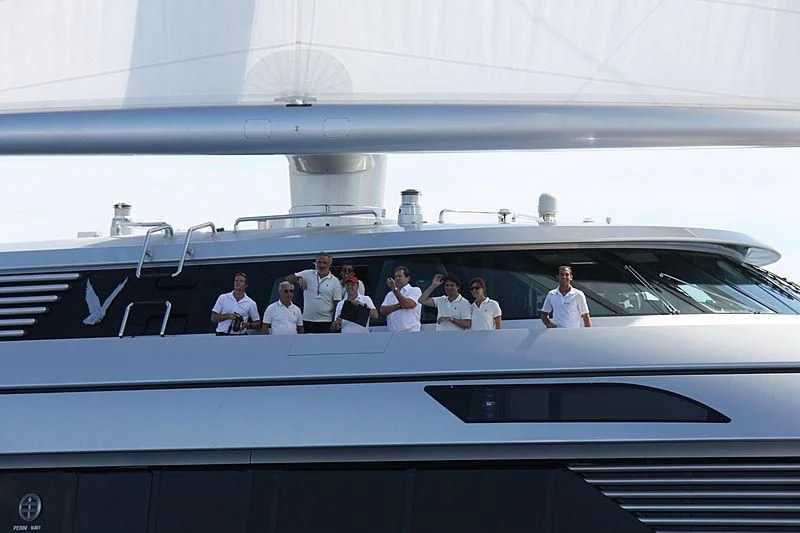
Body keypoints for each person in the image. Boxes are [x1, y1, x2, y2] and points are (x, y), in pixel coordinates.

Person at [286, 252, 343, 333]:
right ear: (316, 263)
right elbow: (288, 278)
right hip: (306, 321)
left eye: (325, 263)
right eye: (319, 262)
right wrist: (299, 278)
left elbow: (337, 304)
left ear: (330, 264)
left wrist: (334, 322)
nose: (321, 265)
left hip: (326, 322)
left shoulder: (335, 281)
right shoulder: (307, 274)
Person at [379, 266, 422, 332]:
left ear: (408, 278)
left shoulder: (415, 290)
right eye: (396, 277)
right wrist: (399, 306)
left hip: (411, 333)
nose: (397, 278)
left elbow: (408, 305)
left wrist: (394, 289)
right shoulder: (390, 294)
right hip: (392, 334)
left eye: (400, 276)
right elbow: (382, 311)